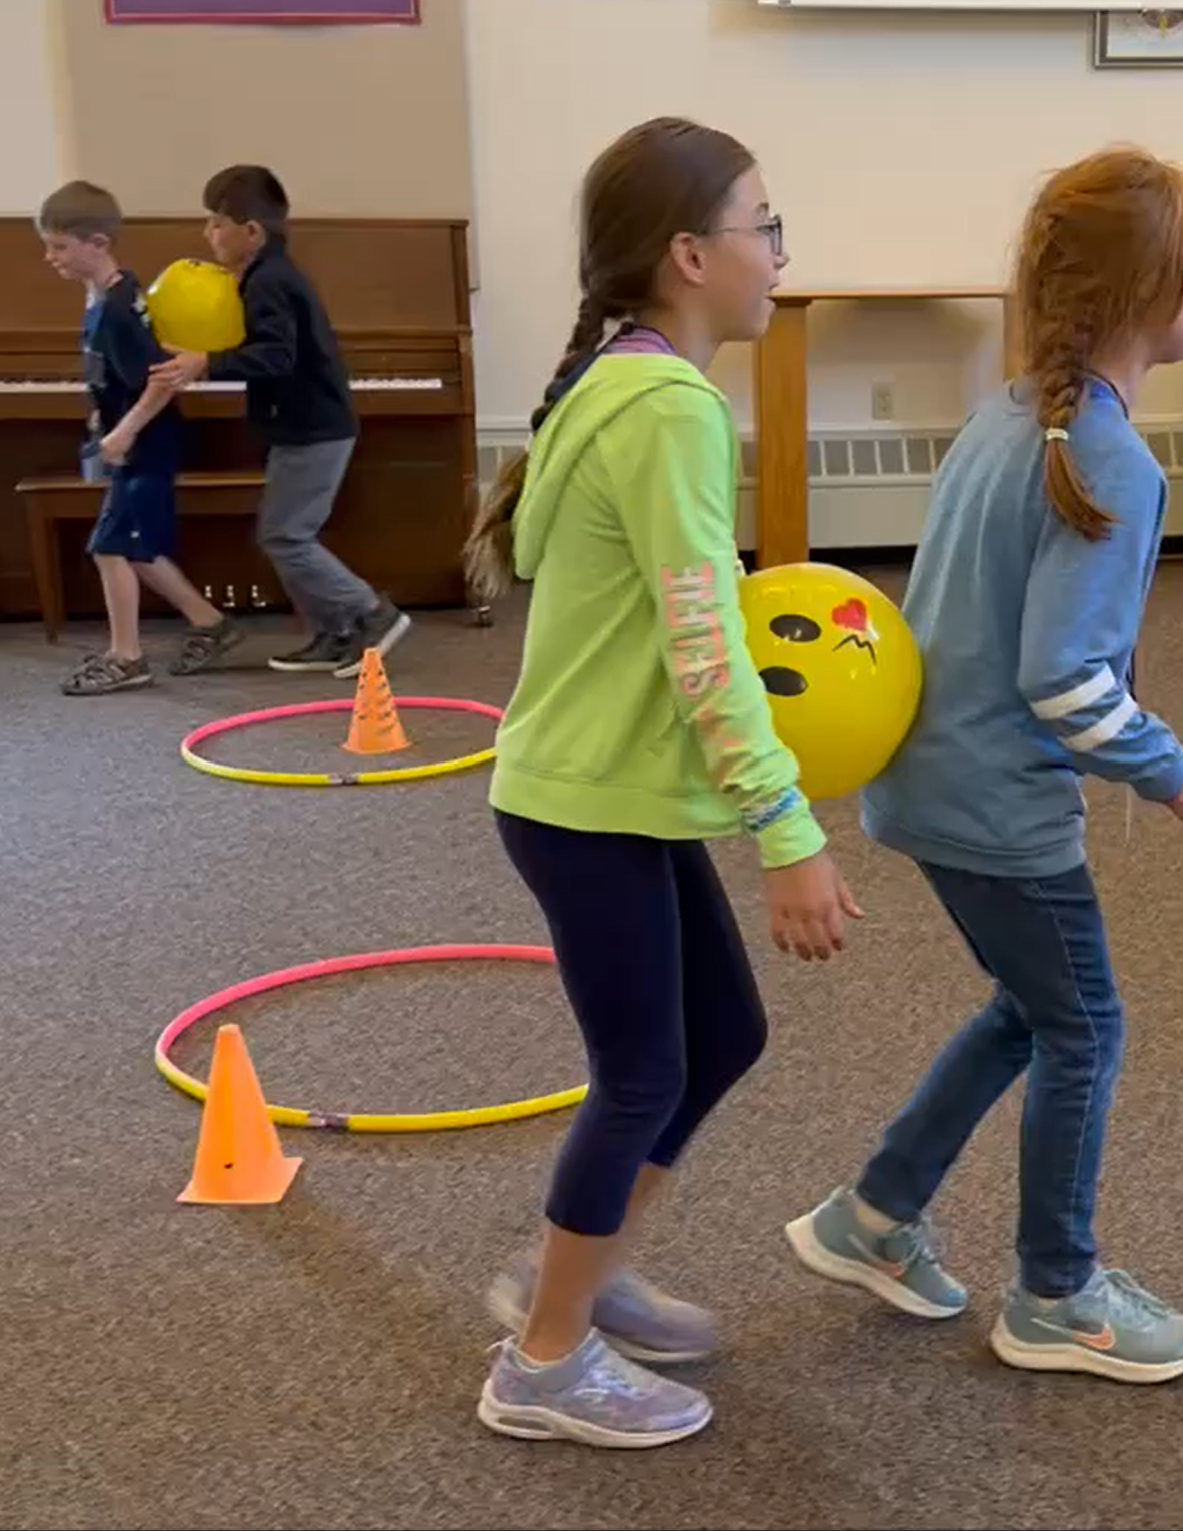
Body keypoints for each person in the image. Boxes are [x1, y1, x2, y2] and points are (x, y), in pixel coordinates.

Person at [784, 146, 1183, 1386]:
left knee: (1028, 1010)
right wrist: (1176, 774)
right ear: (1157, 294)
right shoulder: (1107, 459)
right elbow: (1066, 681)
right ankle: (1056, 1294)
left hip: (932, 783)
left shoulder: (1011, 418)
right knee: (1084, 1028)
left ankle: (873, 1214)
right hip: (998, 805)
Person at [462, 116, 862, 1450]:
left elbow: (674, 616)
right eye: (765, 226)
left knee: (720, 1036)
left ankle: (573, 1270)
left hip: (599, 794)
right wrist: (786, 828)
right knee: (640, 1072)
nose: (779, 254)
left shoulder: (618, 380)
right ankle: (542, 1357)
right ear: (690, 255)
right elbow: (707, 644)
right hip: (588, 804)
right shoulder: (669, 409)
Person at [151, 165, 407, 678]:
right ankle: (335, 634)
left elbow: (276, 357)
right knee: (283, 533)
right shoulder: (266, 275)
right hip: (303, 426)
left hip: (314, 430)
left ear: (252, 232)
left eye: (217, 223)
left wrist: (207, 362)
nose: (207, 233)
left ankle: (372, 613)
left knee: (286, 536)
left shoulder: (268, 281)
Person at [37, 180, 243, 694]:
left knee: (110, 546)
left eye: (59, 247)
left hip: (146, 442)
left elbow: (161, 381)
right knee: (136, 547)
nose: (50, 257)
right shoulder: (109, 295)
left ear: (97, 243)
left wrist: (123, 433)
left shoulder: (116, 311)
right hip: (135, 439)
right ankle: (211, 623)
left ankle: (127, 657)